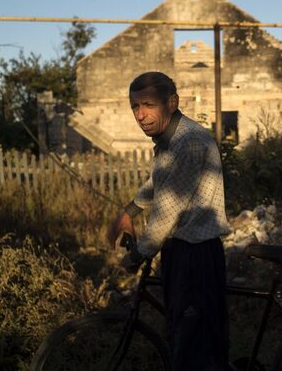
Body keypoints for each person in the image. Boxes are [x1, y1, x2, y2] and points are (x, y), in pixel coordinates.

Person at [107, 71, 232, 371]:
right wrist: (129, 212)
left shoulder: (188, 142)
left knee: (194, 348)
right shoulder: (169, 140)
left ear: (172, 102)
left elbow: (168, 210)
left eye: (148, 105)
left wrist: (139, 254)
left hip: (196, 256)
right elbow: (157, 183)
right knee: (186, 336)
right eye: (135, 107)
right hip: (181, 252)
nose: (140, 114)